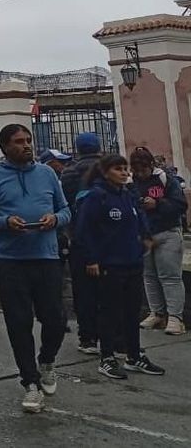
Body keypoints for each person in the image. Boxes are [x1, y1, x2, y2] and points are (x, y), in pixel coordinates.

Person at [0, 124, 70, 413]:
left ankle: (47, 361)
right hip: (10, 261)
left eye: (28, 140)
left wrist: (55, 219)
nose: (26, 145)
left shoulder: (47, 174)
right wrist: (5, 222)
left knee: (55, 319)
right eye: (19, 141)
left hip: (47, 258)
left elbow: (66, 210)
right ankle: (30, 383)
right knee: (19, 323)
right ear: (5, 147)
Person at [75, 153, 165, 380]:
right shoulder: (97, 197)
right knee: (109, 312)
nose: (125, 173)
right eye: (118, 169)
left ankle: (134, 355)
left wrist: (145, 237)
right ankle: (107, 357)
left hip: (132, 262)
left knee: (131, 312)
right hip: (109, 264)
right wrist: (91, 259)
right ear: (106, 172)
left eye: (126, 169)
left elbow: (138, 217)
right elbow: (84, 230)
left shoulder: (127, 195)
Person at [128, 147, 187, 336]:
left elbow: (180, 205)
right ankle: (157, 312)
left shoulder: (165, 179)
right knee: (149, 276)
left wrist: (158, 203)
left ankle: (175, 317)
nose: (141, 174)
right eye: (137, 170)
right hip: (144, 235)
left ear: (151, 165)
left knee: (170, 276)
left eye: (144, 169)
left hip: (167, 231)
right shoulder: (131, 182)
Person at [60, 132, 103, 355]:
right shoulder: (109, 169)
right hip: (108, 240)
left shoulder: (68, 173)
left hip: (78, 238)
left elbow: (64, 205)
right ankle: (114, 337)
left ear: (77, 148)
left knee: (84, 290)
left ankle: (87, 338)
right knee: (110, 291)